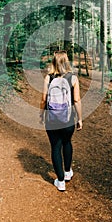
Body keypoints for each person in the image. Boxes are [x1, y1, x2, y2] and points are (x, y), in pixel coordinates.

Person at [39, 50, 82, 192]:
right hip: (68, 119)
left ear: (54, 62)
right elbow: (76, 100)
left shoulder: (48, 78)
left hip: (52, 119)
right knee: (67, 142)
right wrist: (80, 118)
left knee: (55, 147)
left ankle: (61, 181)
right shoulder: (73, 78)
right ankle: (68, 171)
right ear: (67, 61)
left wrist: (41, 115)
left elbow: (44, 100)